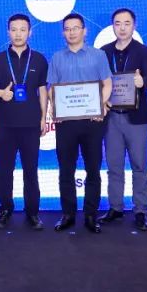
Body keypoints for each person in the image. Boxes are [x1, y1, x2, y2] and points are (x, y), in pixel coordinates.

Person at [47, 13, 112, 233]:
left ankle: (91, 215)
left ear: (85, 31)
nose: (71, 32)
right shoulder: (57, 57)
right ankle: (68, 214)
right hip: (66, 123)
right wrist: (55, 106)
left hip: (93, 121)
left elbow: (107, 84)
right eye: (67, 29)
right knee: (66, 170)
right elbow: (51, 88)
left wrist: (101, 105)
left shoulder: (98, 55)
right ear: (63, 32)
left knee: (93, 169)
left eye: (76, 28)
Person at [0, 14, 49, 230]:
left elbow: (42, 90)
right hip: (5, 124)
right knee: (4, 170)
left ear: (30, 32)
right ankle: (5, 209)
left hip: (31, 124)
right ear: (8, 32)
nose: (18, 34)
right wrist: (0, 94)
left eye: (23, 29)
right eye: (14, 29)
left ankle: (33, 212)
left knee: (31, 170)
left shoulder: (39, 59)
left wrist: (43, 117)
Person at [97, 8, 147, 232]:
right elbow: (98, 81)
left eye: (126, 23)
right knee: (114, 165)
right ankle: (115, 207)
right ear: (112, 26)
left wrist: (143, 82)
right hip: (112, 116)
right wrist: (103, 99)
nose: (122, 28)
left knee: (139, 165)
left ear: (134, 25)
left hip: (137, 117)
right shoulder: (104, 52)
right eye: (118, 23)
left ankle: (140, 210)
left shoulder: (143, 51)